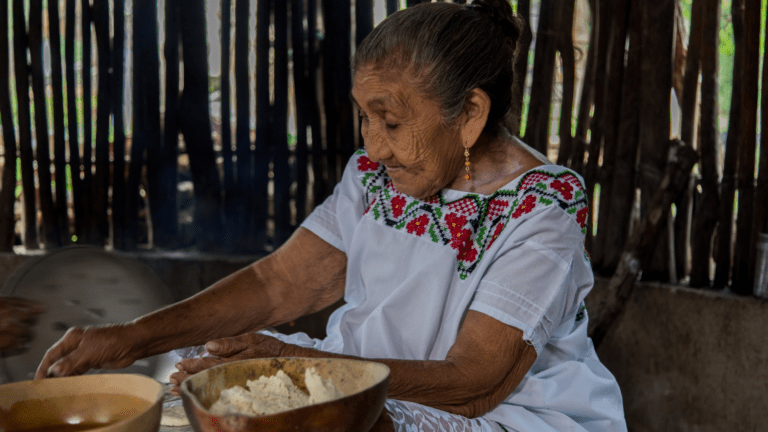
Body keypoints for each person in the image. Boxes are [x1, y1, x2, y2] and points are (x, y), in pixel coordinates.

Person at [36, 1, 628, 430]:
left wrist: (304, 370)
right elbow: (278, 283)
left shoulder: (540, 211)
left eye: (391, 122)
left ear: (470, 113)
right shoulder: (377, 176)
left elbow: (475, 383)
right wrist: (132, 337)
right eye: (364, 117)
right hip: (363, 385)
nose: (372, 146)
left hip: (503, 417)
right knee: (208, 388)